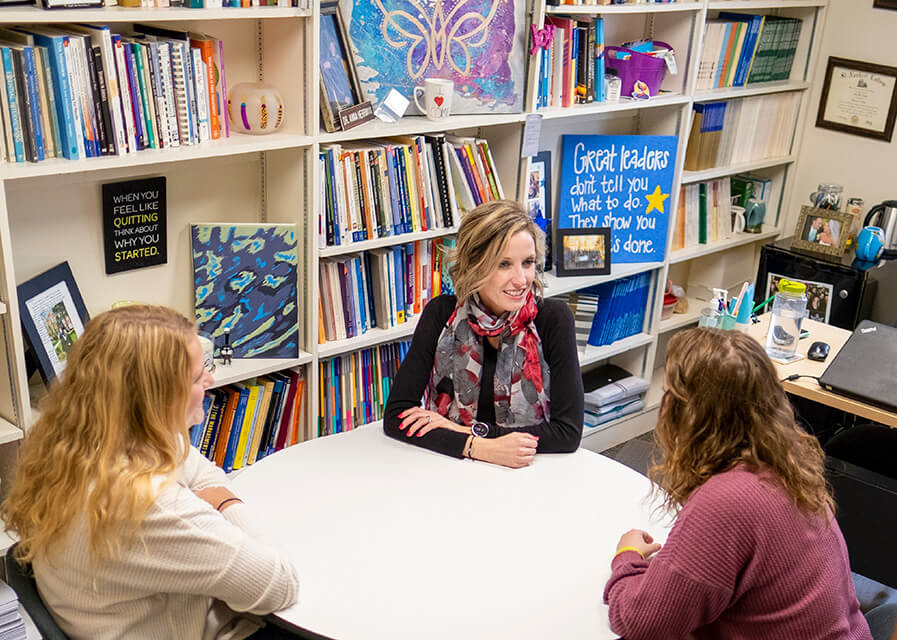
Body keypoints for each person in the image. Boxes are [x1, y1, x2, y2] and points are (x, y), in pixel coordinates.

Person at [1, 305, 299, 640]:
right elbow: (280, 585)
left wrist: (208, 497)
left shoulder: (72, 447)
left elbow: (192, 463)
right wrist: (224, 502)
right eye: (199, 376)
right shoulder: (150, 505)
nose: (210, 380)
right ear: (158, 398)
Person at [603, 328, 871, 640]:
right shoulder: (790, 465)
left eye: (668, 396)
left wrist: (627, 558)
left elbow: (641, 623)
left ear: (691, 415)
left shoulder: (726, 501)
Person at [383, 200, 583, 468]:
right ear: (475, 265)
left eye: (528, 262)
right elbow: (397, 416)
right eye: (503, 264)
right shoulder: (441, 314)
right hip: (448, 469)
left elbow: (567, 434)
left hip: (529, 472)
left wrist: (471, 434)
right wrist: (480, 447)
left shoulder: (553, 319)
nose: (521, 279)